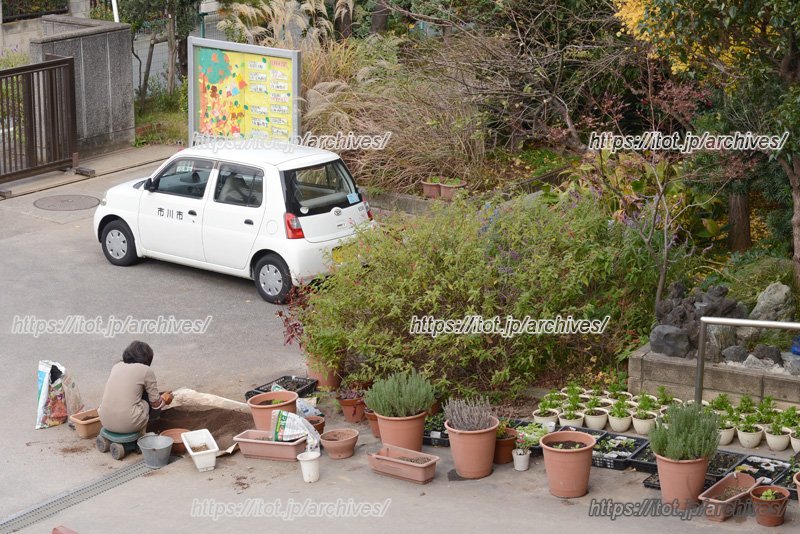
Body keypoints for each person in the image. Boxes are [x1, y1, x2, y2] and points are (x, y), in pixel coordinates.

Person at [98, 341, 172, 434]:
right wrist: (165, 399)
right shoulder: (146, 370)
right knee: (147, 396)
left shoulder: (116, 366)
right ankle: (147, 429)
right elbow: (156, 404)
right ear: (148, 358)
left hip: (105, 421)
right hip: (129, 424)